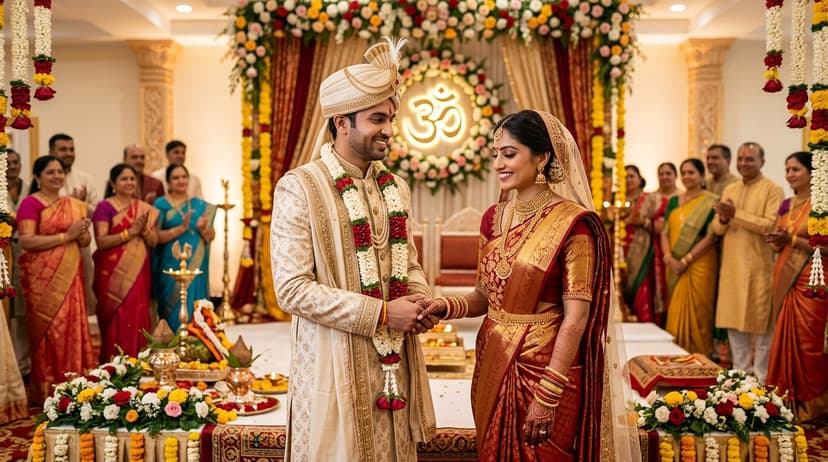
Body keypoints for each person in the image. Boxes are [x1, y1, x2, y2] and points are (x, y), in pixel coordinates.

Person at [270, 38, 439, 461]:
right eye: (377, 118)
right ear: (341, 123)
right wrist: (381, 313)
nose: (389, 129)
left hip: (395, 361)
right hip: (334, 364)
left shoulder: (395, 187)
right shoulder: (300, 187)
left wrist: (419, 300)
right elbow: (291, 290)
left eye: (390, 118)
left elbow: (408, 262)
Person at [420, 110, 622, 461]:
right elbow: (483, 296)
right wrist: (444, 306)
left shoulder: (574, 225)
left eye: (509, 154)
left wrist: (549, 392)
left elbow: (576, 318)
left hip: (544, 369)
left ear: (542, 157)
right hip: (492, 358)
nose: (499, 163)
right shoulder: (492, 218)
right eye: (495, 154)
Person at [17, 155, 95, 403]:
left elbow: (84, 242)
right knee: (50, 331)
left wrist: (82, 234)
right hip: (42, 281)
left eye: (60, 171)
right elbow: (27, 240)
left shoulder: (73, 204)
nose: (57, 176)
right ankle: (49, 391)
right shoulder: (30, 203)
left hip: (71, 276)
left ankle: (76, 386)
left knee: (73, 326)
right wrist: (66, 236)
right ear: (37, 177)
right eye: (50, 172)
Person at [713, 142, 783, 384]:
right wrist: (723, 219)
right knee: (734, 323)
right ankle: (740, 377)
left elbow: (770, 225)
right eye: (741, 159)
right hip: (732, 267)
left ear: (762, 162)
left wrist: (735, 214)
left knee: (761, 325)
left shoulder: (773, 189)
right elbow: (717, 228)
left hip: (758, 267)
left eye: (750, 159)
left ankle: (762, 380)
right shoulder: (731, 189)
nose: (743, 163)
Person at [766, 152, 828, 422]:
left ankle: (814, 405)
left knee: (809, 342)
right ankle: (786, 401)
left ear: (812, 173)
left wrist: (791, 239)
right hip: (784, 274)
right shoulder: (787, 204)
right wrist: (777, 241)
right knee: (784, 337)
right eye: (787, 169)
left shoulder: (822, 203)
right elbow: (780, 242)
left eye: (796, 169)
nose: (789, 174)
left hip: (813, 279)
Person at [92, 164, 158, 361]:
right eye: (123, 179)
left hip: (139, 272)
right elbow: (101, 241)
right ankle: (115, 364)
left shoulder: (144, 209)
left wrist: (144, 231)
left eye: (132, 179)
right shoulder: (105, 207)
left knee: (138, 313)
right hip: (111, 273)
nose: (129, 182)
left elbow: (154, 241)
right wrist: (130, 233)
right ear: (113, 184)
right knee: (116, 316)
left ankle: (139, 361)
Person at [660, 159, 718, 356]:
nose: (686, 176)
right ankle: (676, 358)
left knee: (700, 312)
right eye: (683, 172)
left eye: (691, 172)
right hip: (673, 265)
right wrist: (669, 258)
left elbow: (712, 236)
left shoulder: (711, 201)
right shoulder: (673, 201)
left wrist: (686, 260)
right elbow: (664, 232)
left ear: (702, 176)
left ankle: (701, 359)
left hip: (700, 263)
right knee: (675, 312)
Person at [153, 164, 215, 332]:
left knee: (196, 304)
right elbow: (156, 237)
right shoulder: (161, 204)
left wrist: (203, 228)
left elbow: (210, 237)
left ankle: (198, 341)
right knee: (171, 306)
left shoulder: (199, 205)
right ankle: (174, 341)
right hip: (170, 265)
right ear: (168, 181)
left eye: (184, 177)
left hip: (196, 266)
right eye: (176, 178)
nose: (181, 181)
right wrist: (180, 229)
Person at [49, 133, 98, 316]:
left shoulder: (85, 178)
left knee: (83, 296)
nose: (68, 153)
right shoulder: (45, 178)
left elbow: (96, 212)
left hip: (81, 244)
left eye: (71, 149)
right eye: (63, 149)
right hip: (52, 246)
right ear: (51, 151)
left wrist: (80, 206)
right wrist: (70, 204)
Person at [623, 165, 663, 323]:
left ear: (640, 179)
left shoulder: (651, 198)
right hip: (620, 250)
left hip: (642, 251)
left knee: (641, 288)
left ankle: (644, 322)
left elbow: (661, 226)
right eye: (624, 177)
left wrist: (643, 222)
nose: (628, 180)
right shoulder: (615, 200)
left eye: (631, 176)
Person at [5, 149, 31, 377]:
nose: (12, 166)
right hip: (4, 254)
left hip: (25, 255)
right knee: (6, 312)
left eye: (16, 162)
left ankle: (23, 366)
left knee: (22, 313)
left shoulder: (30, 189)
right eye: (8, 162)